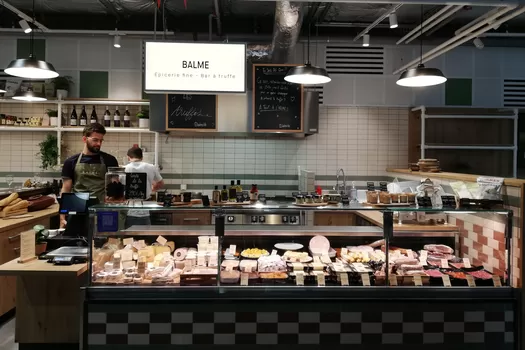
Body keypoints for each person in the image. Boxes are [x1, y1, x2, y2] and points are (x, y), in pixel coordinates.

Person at [60, 123, 119, 228]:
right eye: (95, 140)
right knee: (77, 241)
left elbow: (115, 185)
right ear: (84, 139)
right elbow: (66, 188)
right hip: (77, 208)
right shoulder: (71, 162)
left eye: (101, 140)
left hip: (103, 209)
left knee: (105, 242)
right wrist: (62, 216)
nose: (99, 144)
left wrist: (114, 197)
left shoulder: (110, 160)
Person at [124, 147, 164, 228]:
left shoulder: (125, 168)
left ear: (128, 157)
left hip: (129, 208)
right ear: (142, 157)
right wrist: (152, 189)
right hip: (145, 208)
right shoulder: (151, 167)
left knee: (130, 238)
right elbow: (161, 183)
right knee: (145, 238)